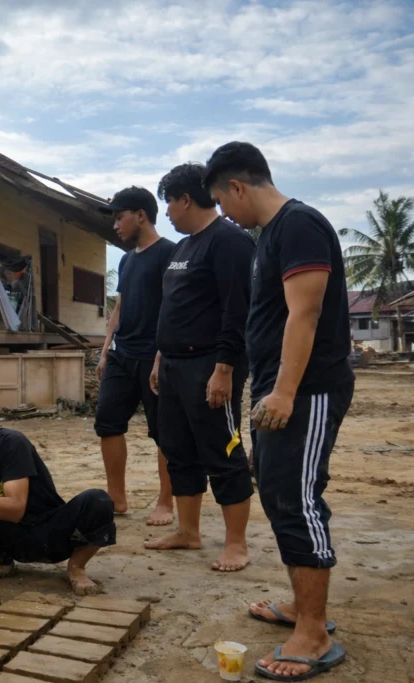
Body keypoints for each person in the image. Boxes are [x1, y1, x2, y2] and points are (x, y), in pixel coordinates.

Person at [205, 142, 353, 681]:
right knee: (277, 491)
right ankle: (300, 608)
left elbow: (305, 313)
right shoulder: (271, 237)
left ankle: (312, 631)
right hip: (278, 388)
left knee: (296, 499)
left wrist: (287, 392)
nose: (226, 214)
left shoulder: (299, 225)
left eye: (223, 203)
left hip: (307, 391)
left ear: (238, 188)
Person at [144, 162, 255, 573]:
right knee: (179, 450)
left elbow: (237, 310)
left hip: (210, 364)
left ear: (185, 199)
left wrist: (224, 368)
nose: (168, 214)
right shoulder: (184, 247)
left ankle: (237, 545)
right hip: (173, 365)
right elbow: (173, 310)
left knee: (222, 451)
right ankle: (189, 534)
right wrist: (160, 358)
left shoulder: (228, 241)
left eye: (169, 204)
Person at [0, 388, 115, 595]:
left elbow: (16, 508)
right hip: (6, 541)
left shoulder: (11, 444)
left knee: (98, 501)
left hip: (47, 533)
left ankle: (76, 567)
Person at [96, 186, 177, 526]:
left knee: (164, 432)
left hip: (154, 356)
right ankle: (117, 497)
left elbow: (173, 310)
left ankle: (166, 502)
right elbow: (121, 308)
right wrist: (105, 351)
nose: (116, 225)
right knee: (107, 422)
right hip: (122, 354)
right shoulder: (127, 260)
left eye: (120, 217)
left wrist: (161, 355)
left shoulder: (171, 254)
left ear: (140, 216)